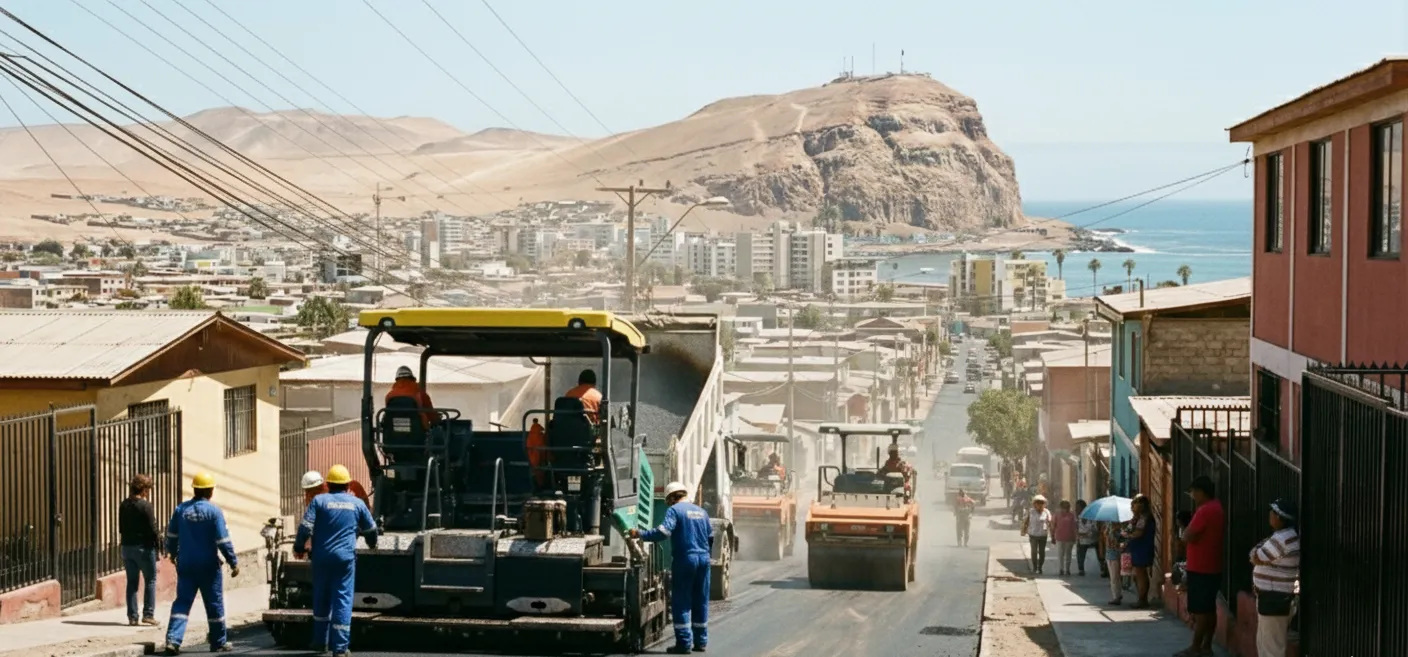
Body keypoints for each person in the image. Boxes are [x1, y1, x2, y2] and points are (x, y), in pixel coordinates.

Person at [295, 465, 379, 657]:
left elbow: (305, 527)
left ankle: (319, 642)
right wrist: (371, 543)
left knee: (321, 597)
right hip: (344, 560)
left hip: (321, 558)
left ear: (328, 483)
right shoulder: (356, 504)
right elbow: (371, 529)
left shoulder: (318, 501)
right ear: (347, 483)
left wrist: (299, 547)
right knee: (342, 598)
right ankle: (340, 648)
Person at [630, 481, 713, 655]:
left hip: (685, 559)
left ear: (672, 498)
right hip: (704, 558)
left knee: (681, 600)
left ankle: (683, 643)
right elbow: (710, 537)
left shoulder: (675, 511)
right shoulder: (702, 512)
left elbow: (663, 532)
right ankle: (701, 641)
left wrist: (641, 534)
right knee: (701, 600)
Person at [163, 472, 239, 655]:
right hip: (208, 566)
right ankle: (218, 642)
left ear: (195, 490)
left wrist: (172, 553)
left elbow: (171, 535)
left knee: (182, 603)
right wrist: (232, 562)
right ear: (210, 491)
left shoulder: (181, 510)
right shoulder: (214, 512)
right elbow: (223, 540)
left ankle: (173, 640)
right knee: (214, 603)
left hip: (186, 564)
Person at [1179, 475, 1224, 657]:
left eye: (1194, 492)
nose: (1193, 496)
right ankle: (1206, 646)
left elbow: (1187, 535)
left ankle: (1196, 646)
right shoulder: (1217, 508)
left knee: (1201, 610)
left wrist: (1188, 535)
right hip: (1211, 565)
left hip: (1201, 567)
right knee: (1209, 608)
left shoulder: (1205, 510)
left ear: (1201, 492)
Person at [1250, 498, 1299, 657]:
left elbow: (1256, 555)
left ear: (1279, 517)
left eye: (1272, 512)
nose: (1270, 515)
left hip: (1275, 596)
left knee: (1272, 648)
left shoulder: (1283, 538)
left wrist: (1257, 550)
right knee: (1266, 643)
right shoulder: (1282, 536)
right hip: (1272, 596)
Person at [119, 474, 160, 627]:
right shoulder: (145, 506)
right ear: (143, 489)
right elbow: (152, 529)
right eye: (148, 489)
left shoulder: (124, 504)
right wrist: (158, 545)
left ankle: (132, 616)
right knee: (151, 580)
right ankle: (148, 614)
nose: (148, 492)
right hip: (143, 547)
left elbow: (121, 528)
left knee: (132, 582)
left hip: (127, 546)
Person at [1124, 494, 1156, 609]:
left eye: (1135, 504)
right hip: (1138, 549)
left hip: (1142, 549)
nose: (1132, 507)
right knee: (1137, 575)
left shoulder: (1144, 518)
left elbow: (1138, 533)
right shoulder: (1138, 518)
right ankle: (1141, 598)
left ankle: (1142, 599)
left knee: (1141, 574)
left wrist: (1128, 535)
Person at [1020, 494, 1053, 574]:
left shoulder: (1046, 512)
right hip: (1033, 535)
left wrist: (1052, 534)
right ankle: (1034, 566)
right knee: (1034, 551)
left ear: (1044, 504)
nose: (1039, 504)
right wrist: (1023, 530)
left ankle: (1040, 567)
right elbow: (1026, 521)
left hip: (1043, 535)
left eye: (1041, 503)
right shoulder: (1031, 511)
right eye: (1037, 503)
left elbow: (1050, 523)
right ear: (1034, 504)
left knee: (1042, 552)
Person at [1053, 500, 1078, 576]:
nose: (1065, 509)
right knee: (1060, 555)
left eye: (1066, 507)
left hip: (1069, 538)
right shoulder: (1057, 515)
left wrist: (1075, 537)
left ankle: (1067, 569)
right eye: (1063, 507)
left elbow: (1074, 527)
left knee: (1068, 555)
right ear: (1060, 507)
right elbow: (1053, 525)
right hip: (1059, 538)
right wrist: (1052, 536)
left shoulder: (1072, 515)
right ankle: (1061, 569)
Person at [1103, 520, 1125, 605]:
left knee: (1114, 578)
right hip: (1112, 555)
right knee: (1116, 577)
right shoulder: (1111, 530)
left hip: (1114, 556)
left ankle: (1116, 597)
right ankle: (1118, 595)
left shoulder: (1117, 533)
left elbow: (1115, 544)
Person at [1075, 500, 1098, 576]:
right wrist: (1080, 535)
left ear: (1083, 508)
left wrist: (1083, 534)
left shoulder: (1091, 517)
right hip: (1082, 540)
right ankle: (1081, 569)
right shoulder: (1077, 518)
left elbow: (1094, 529)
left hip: (1092, 540)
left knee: (1099, 550)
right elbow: (1076, 529)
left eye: (1078, 508)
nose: (1076, 509)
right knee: (1080, 554)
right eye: (1076, 508)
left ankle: (1102, 568)